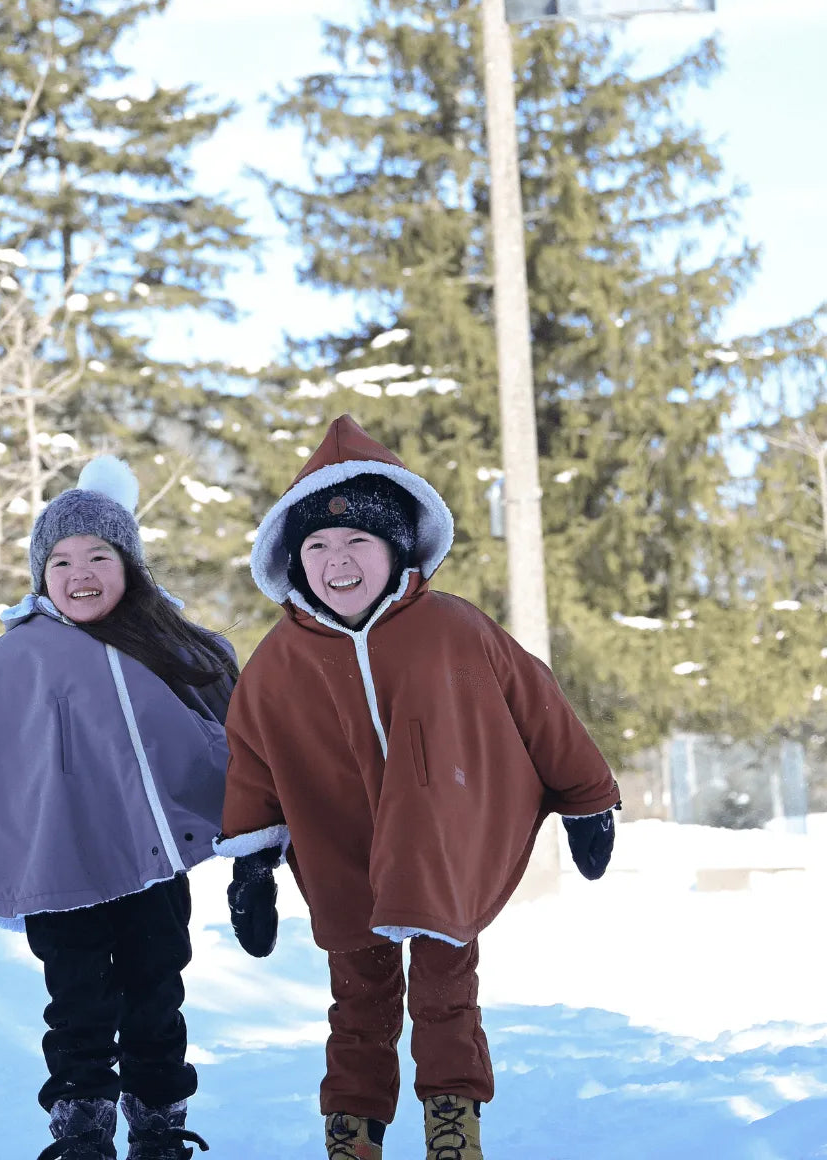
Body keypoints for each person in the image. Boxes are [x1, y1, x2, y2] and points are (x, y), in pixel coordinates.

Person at [215, 415, 620, 1160]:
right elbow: (253, 761)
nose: (337, 561)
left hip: (437, 846)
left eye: (357, 542)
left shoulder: (454, 629)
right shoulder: (277, 663)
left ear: (396, 546)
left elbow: (540, 707)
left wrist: (587, 797)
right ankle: (353, 1131)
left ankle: (452, 1124)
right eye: (317, 546)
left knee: (446, 993)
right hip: (340, 854)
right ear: (294, 559)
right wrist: (251, 863)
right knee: (359, 1001)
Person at [0, 456, 236, 1160]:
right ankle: (82, 1125)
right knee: (78, 1000)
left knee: (155, 989)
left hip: (149, 861)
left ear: (130, 565)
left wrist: (261, 827)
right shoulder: (7, 661)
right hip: (54, 856)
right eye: (60, 560)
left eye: (98, 555)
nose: (79, 572)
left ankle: (158, 1122)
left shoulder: (173, 646)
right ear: (40, 575)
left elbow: (237, 722)